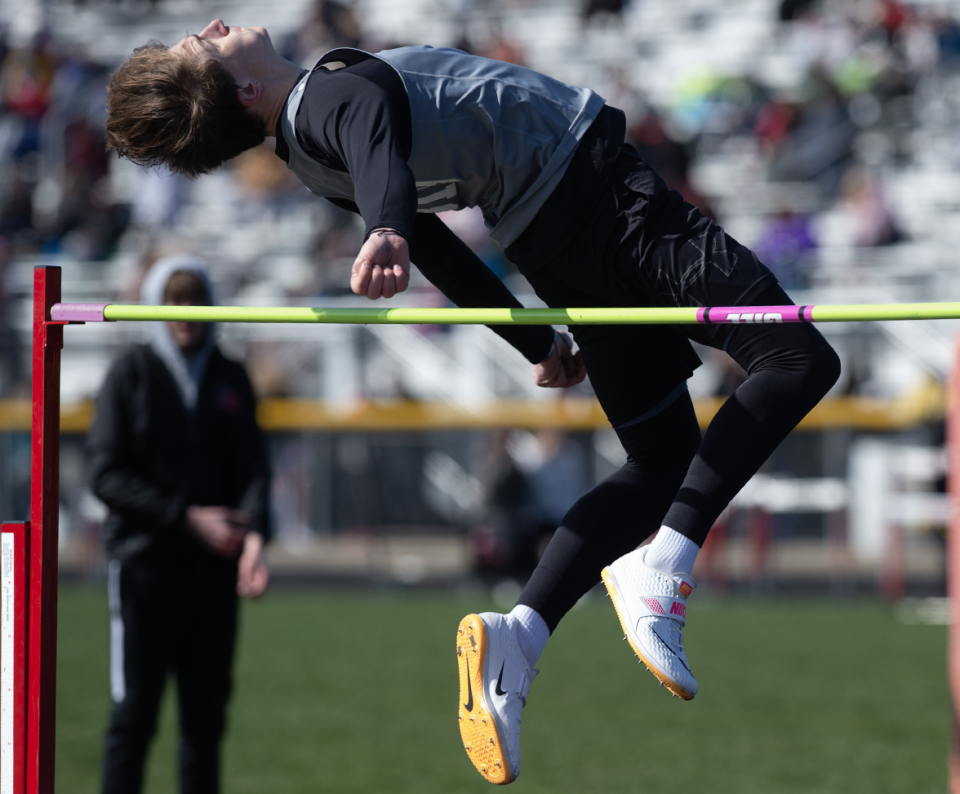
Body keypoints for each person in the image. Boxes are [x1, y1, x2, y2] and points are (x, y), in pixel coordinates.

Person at [103, 23, 841, 785]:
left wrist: (531, 341)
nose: (213, 28)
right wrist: (387, 227)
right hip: (602, 196)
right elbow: (395, 193)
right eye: (206, 47)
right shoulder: (329, 96)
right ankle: (667, 562)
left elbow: (436, 244)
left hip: (551, 233)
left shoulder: (307, 154)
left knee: (661, 464)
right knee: (795, 357)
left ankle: (518, 636)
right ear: (246, 91)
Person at [87, 255, 271, 794]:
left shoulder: (230, 375)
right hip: (144, 566)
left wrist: (255, 539)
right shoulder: (132, 373)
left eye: (196, 299)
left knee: (205, 722)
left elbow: (252, 468)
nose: (186, 313)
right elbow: (105, 473)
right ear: (155, 305)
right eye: (175, 300)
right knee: (133, 717)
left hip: (211, 576)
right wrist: (187, 518)